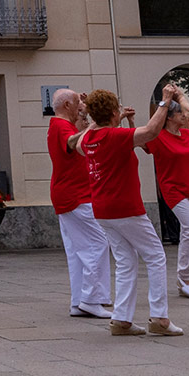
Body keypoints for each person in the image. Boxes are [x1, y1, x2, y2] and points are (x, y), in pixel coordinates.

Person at [75, 88, 186, 334]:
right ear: (114, 113)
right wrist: (165, 102)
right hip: (125, 207)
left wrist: (99, 115)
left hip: (102, 209)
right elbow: (151, 132)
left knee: (125, 261)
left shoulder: (88, 139)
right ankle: (159, 318)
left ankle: (122, 319)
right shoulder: (116, 136)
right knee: (155, 256)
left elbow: (87, 137)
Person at [45, 91, 109, 317]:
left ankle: (79, 301)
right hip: (76, 196)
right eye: (78, 103)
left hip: (69, 195)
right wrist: (92, 126)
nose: (81, 107)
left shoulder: (61, 126)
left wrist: (85, 116)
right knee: (97, 244)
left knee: (78, 250)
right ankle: (91, 299)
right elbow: (73, 143)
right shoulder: (63, 127)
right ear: (67, 104)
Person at [147, 108, 189, 298]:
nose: (184, 115)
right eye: (180, 113)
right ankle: (184, 279)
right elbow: (143, 141)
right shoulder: (159, 137)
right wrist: (132, 121)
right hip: (174, 189)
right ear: (169, 117)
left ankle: (187, 279)